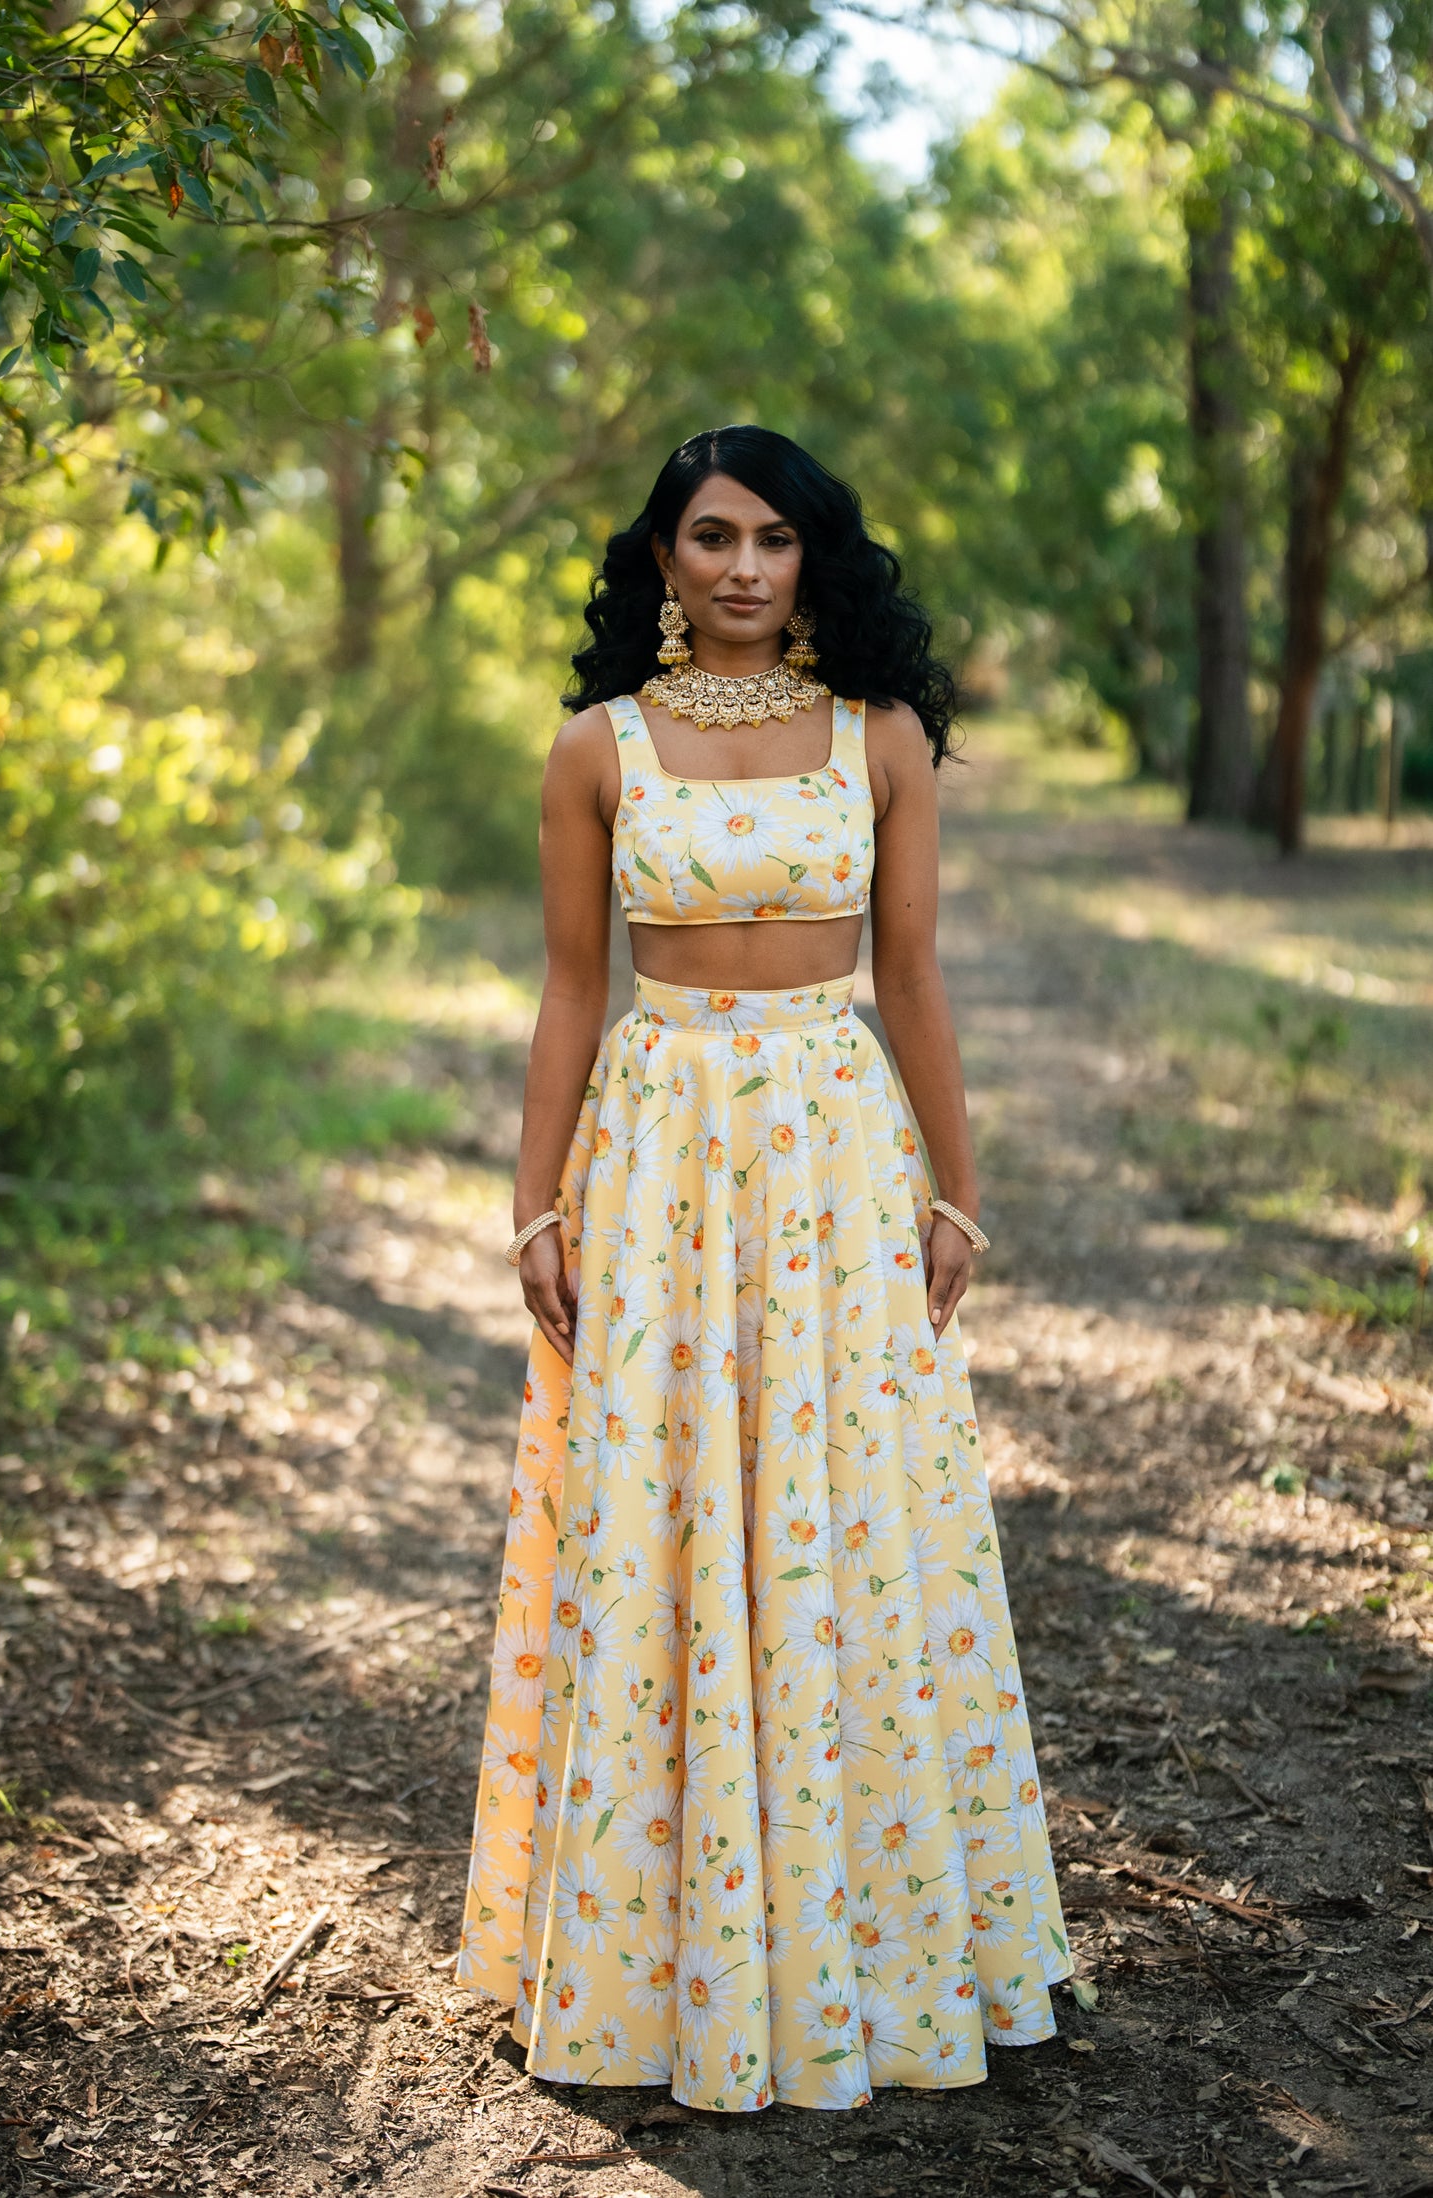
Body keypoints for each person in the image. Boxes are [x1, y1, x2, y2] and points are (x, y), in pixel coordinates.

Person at [456, 425, 1069, 2112]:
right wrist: (534, 1206)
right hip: (656, 1153)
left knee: (848, 1513)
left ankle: (866, 1938)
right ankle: (666, 1959)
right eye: (710, 537)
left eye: (774, 539)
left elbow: (918, 977)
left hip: (828, 1146)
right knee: (657, 1515)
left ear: (814, 561)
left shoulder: (880, 741)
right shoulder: (597, 749)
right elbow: (572, 991)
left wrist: (958, 1190)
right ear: (660, 560)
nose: (741, 567)